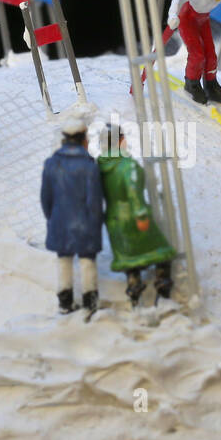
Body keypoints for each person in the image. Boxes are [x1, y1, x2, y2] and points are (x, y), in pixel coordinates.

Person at [98, 123, 176, 306]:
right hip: (133, 218)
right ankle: (163, 290)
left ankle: (134, 291)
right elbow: (133, 191)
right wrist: (141, 215)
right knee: (162, 251)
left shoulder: (100, 167)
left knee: (130, 258)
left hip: (114, 221)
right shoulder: (127, 165)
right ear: (119, 141)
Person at [40, 110, 103, 314]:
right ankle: (90, 300)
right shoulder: (88, 165)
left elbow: (45, 198)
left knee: (64, 260)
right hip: (84, 221)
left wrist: (52, 218)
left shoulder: (51, 164)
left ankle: (65, 301)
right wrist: (96, 221)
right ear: (82, 139)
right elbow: (94, 200)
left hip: (60, 220)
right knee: (87, 261)